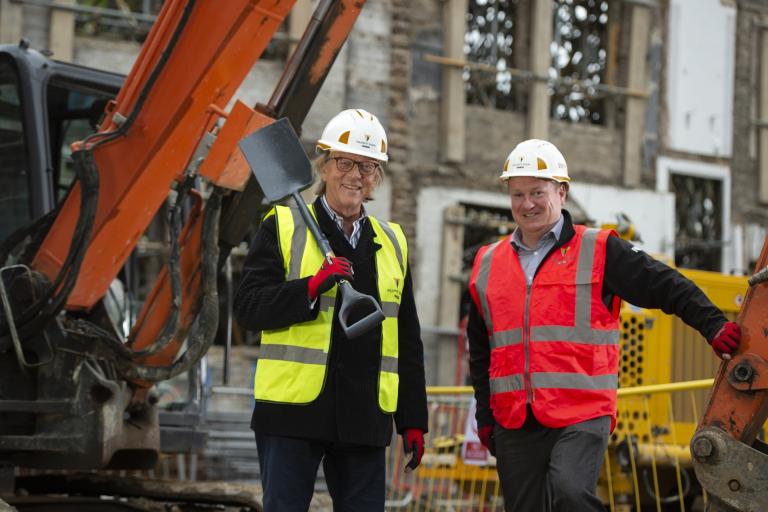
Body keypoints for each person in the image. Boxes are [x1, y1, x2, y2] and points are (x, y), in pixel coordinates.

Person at [466, 139, 741, 512]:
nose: (527, 203)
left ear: (561, 192)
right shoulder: (488, 263)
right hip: (515, 418)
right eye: (518, 194)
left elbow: (665, 284)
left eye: (537, 192)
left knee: (570, 492)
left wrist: (713, 325)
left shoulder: (597, 249)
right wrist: (485, 414)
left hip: (581, 413)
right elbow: (483, 349)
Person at [234, 108, 428, 512]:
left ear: (377, 177)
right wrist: (311, 286)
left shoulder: (392, 242)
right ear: (323, 166)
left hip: (364, 417)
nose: (355, 176)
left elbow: (405, 337)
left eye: (368, 167)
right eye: (345, 163)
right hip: (291, 415)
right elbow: (249, 309)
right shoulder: (283, 225)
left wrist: (412, 418)